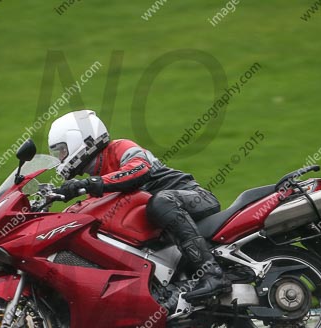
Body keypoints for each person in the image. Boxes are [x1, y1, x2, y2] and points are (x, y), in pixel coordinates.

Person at [48, 109, 230, 302]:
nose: (60, 157)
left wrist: (88, 184)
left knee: (160, 202)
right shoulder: (99, 180)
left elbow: (138, 170)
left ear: (81, 139)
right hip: (166, 220)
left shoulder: (120, 147)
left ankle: (213, 274)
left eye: (62, 150)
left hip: (194, 197)